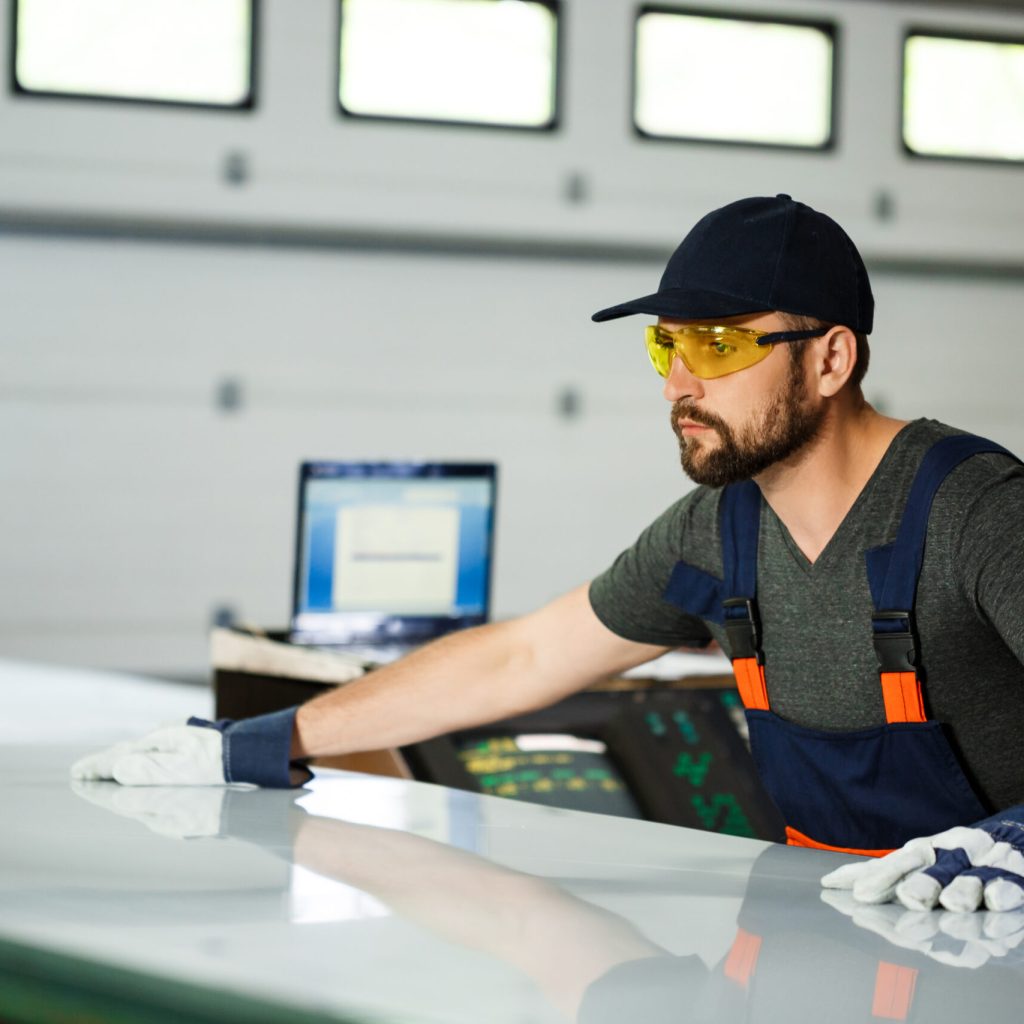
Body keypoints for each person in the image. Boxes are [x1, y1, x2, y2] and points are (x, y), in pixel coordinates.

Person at [73, 194, 1024, 914]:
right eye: (667, 348)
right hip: (821, 946)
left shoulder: (974, 513)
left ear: (830, 359)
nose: (681, 386)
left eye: (721, 347)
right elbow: (523, 655)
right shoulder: (719, 531)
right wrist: (267, 740)